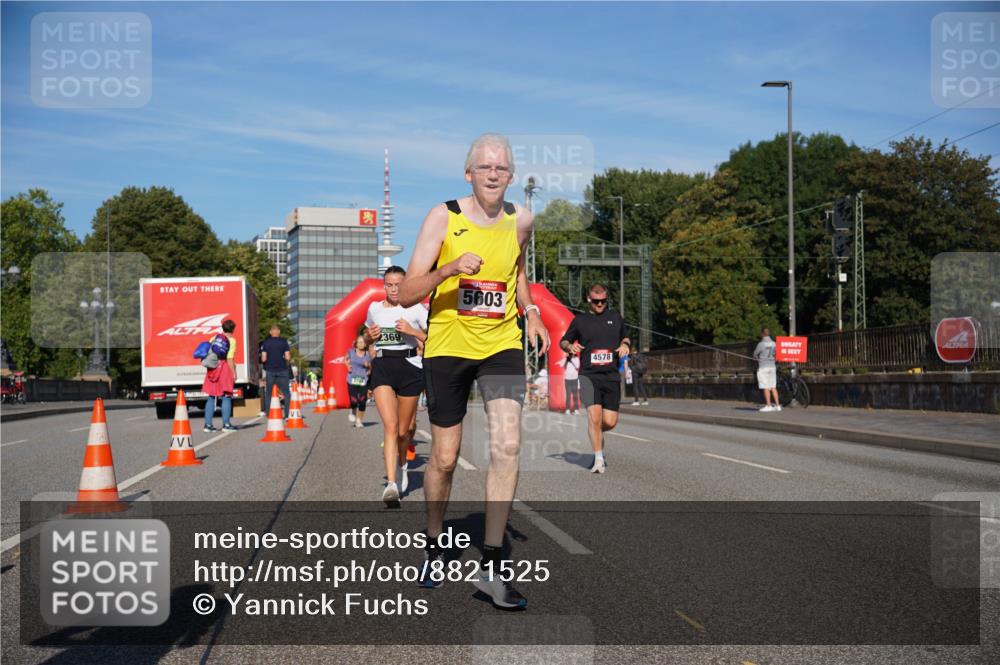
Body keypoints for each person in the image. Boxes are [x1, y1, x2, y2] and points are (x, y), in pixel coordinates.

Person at [399, 133, 549, 609]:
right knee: (444, 458)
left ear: (509, 175)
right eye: (484, 167)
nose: (493, 174)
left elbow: (517, 273)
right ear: (469, 173)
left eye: (501, 168)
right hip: (447, 348)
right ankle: (435, 538)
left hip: (501, 344)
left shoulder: (521, 220)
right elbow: (403, 293)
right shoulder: (444, 216)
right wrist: (447, 271)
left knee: (507, 445)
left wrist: (534, 312)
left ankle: (491, 565)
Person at [365, 266, 428, 506]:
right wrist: (369, 336)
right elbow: (366, 335)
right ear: (384, 285)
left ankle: (403, 465)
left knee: (404, 431)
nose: (393, 289)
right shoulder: (374, 308)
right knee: (390, 427)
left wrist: (412, 331)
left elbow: (432, 336)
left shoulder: (415, 308)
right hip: (383, 366)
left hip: (410, 367)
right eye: (389, 284)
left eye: (398, 284)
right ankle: (391, 485)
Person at [560, 284, 630, 474]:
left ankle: (596, 432)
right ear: (589, 299)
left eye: (603, 301)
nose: (600, 304)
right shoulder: (580, 320)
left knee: (609, 421)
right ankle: (598, 460)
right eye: (596, 301)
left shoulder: (615, 317)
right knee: (594, 417)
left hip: (611, 375)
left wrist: (625, 346)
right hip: (589, 376)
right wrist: (569, 348)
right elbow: (564, 340)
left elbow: (626, 338)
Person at [203, 319, 238, 432]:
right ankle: (226, 425)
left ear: (222, 328)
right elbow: (229, 358)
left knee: (211, 396)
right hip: (224, 368)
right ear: (233, 329)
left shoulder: (214, 338)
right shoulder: (231, 340)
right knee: (226, 396)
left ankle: (208, 425)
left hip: (212, 368)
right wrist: (234, 373)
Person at [261, 325, 292, 419]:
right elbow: (288, 357)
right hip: (282, 370)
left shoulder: (265, 343)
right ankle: (287, 415)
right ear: (279, 332)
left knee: (269, 393)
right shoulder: (284, 342)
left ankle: (269, 414)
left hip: (270, 370)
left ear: (271, 332)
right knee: (286, 393)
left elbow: (263, 359)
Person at [344, 335, 371, 428]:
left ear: (365, 344)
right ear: (356, 344)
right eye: (359, 342)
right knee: (354, 400)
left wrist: (368, 366)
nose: (361, 344)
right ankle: (352, 410)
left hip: (363, 380)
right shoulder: (351, 352)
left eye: (363, 342)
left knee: (363, 401)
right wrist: (348, 366)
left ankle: (359, 421)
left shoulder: (367, 354)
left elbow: (371, 368)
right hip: (352, 379)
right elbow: (345, 359)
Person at [753, 327, 781, 412]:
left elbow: (755, 354)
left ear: (762, 334)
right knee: (773, 386)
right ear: (768, 334)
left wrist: (757, 358)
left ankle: (768, 405)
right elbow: (777, 355)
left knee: (765, 386)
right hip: (772, 366)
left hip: (763, 367)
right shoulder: (774, 343)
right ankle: (777, 406)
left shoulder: (761, 344)